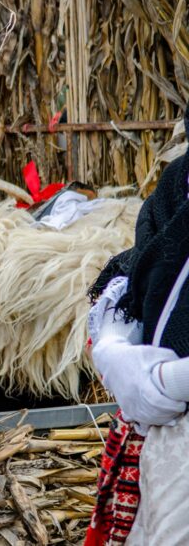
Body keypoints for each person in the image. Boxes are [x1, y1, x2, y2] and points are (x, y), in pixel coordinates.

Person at [87, 114, 189, 545]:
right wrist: (115, 352)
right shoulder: (177, 184)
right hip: (168, 447)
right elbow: (141, 272)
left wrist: (166, 381)